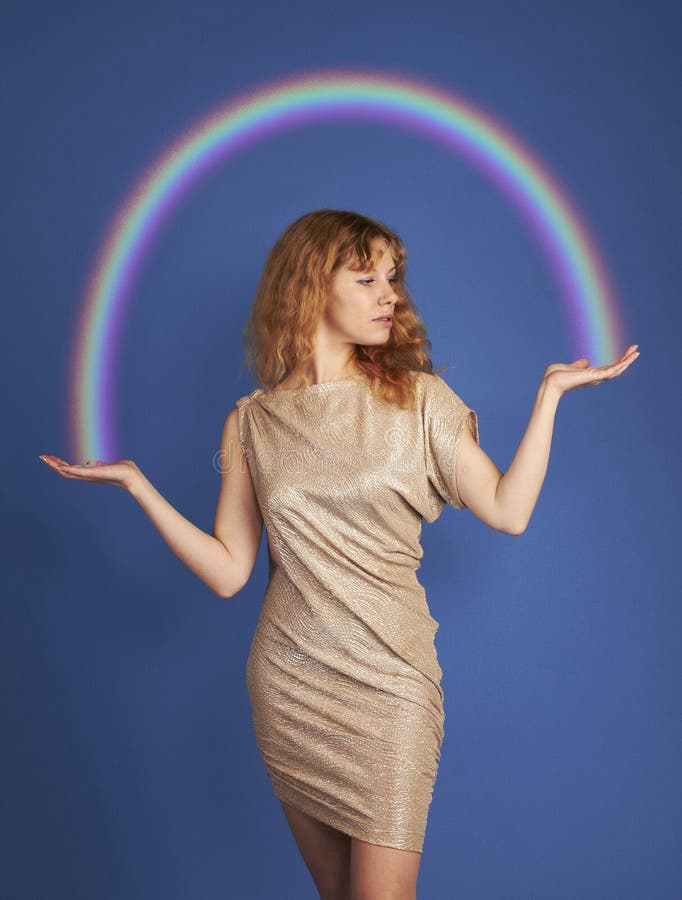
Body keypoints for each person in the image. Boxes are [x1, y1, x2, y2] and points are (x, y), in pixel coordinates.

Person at [39, 209, 639, 899]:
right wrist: (139, 486)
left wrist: (549, 397)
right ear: (311, 288)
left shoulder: (420, 400)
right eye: (367, 278)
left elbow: (508, 509)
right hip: (291, 683)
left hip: (393, 683)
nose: (390, 294)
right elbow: (231, 572)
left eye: (393, 278)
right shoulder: (253, 421)